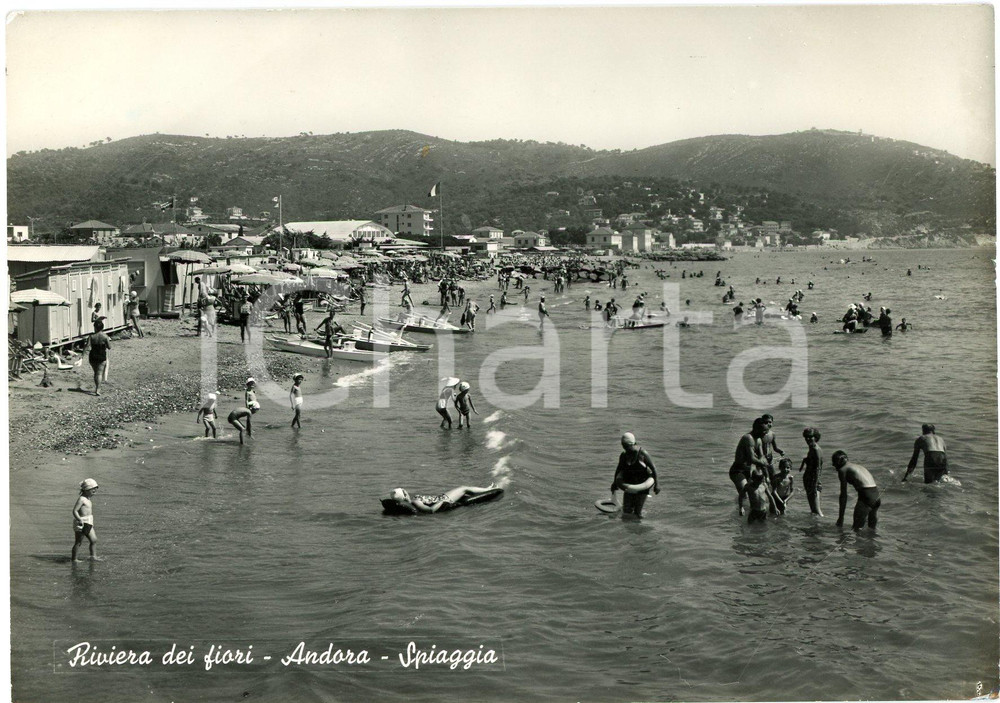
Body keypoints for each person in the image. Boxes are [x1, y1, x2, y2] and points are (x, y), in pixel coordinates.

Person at [610, 432, 660, 518]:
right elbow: (619, 469)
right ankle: (628, 529)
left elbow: (653, 468)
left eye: (626, 446)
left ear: (633, 444)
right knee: (626, 511)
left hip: (642, 485)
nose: (625, 448)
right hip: (629, 484)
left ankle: (638, 528)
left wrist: (657, 484)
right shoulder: (623, 455)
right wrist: (614, 483)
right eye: (623, 446)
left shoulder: (642, 454)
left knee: (637, 512)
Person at [729, 418, 772, 516]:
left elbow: (762, 457)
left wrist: (766, 475)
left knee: (754, 493)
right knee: (745, 494)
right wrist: (762, 462)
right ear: (756, 429)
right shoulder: (748, 438)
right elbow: (752, 459)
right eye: (763, 431)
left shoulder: (759, 440)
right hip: (737, 471)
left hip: (748, 471)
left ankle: (752, 514)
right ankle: (742, 512)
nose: (765, 434)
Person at [833, 450, 881, 530]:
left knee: (856, 529)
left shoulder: (843, 470)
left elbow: (843, 495)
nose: (835, 469)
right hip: (876, 495)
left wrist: (841, 518)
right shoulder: (857, 466)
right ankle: (872, 542)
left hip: (866, 497)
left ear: (838, 463)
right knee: (872, 529)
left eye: (835, 465)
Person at [383, 483, 502, 514]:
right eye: (405, 491)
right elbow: (430, 510)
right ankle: (488, 489)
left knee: (464, 490)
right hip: (444, 499)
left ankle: (486, 488)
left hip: (442, 497)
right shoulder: (415, 502)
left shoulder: (414, 501)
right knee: (464, 488)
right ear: (404, 495)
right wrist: (442, 502)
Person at [72, 478, 99, 562]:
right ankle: (74, 559)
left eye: (95, 489)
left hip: (89, 521)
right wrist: (79, 519)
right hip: (82, 522)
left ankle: (93, 556)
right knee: (78, 542)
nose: (94, 491)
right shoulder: (82, 499)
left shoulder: (88, 499)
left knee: (94, 540)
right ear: (86, 490)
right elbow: (75, 510)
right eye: (92, 489)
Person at [799, 428, 824, 516]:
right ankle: (816, 526)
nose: (807, 439)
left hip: (814, 481)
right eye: (806, 437)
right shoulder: (812, 448)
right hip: (810, 480)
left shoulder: (816, 449)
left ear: (816, 437)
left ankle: (822, 526)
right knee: (813, 509)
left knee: (817, 510)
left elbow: (818, 469)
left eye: (810, 437)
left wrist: (814, 485)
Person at [85, 319, 111, 396]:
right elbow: (109, 347)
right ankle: (98, 389)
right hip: (101, 355)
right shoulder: (105, 336)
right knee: (99, 373)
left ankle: (97, 386)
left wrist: (82, 356)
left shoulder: (91, 336)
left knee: (96, 373)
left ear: (95, 327)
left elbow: (87, 346)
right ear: (102, 328)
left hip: (92, 356)